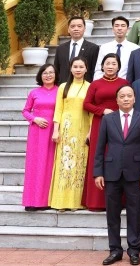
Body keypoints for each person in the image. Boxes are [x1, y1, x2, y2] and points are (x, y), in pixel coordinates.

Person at [93, 85, 140, 266]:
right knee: (112, 214)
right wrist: (98, 173)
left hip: (135, 174)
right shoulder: (108, 119)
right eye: (122, 96)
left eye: (129, 96)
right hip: (111, 173)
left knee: (135, 213)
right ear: (117, 100)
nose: (126, 99)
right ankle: (115, 250)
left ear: (135, 98)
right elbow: (100, 147)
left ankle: (134, 251)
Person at [83, 54, 130, 211]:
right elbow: (87, 104)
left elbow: (129, 101)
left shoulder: (124, 83)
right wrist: (102, 111)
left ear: (119, 67)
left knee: (117, 157)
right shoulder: (95, 84)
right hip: (100, 122)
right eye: (107, 63)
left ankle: (118, 200)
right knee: (99, 156)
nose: (110, 66)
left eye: (114, 63)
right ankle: (96, 201)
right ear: (102, 66)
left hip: (120, 123)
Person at [50, 57, 91, 211]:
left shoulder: (90, 86)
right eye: (75, 66)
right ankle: (61, 202)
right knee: (64, 164)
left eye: (81, 66)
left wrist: (90, 131)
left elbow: (92, 113)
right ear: (70, 68)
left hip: (82, 126)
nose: (78, 69)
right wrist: (56, 130)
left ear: (86, 69)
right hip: (66, 129)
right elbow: (58, 110)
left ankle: (76, 202)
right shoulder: (62, 87)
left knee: (80, 163)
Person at [21, 64, 58, 210]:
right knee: (35, 165)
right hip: (37, 133)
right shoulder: (34, 92)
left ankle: (46, 201)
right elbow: (25, 111)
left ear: (56, 75)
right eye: (45, 73)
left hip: (53, 132)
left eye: (51, 72)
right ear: (40, 75)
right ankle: (31, 201)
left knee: (49, 164)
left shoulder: (60, 91)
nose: (48, 75)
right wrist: (34, 119)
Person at [54, 16, 99, 85]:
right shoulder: (60, 48)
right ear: (68, 29)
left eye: (79, 26)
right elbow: (56, 70)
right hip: (64, 87)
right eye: (73, 26)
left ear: (84, 29)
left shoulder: (93, 48)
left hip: (84, 87)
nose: (76, 29)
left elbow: (94, 71)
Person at [94, 17, 139, 81]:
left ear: (127, 29)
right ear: (113, 29)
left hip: (126, 86)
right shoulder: (104, 47)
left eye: (123, 26)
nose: (120, 28)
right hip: (107, 83)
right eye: (116, 26)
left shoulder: (135, 48)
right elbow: (99, 70)